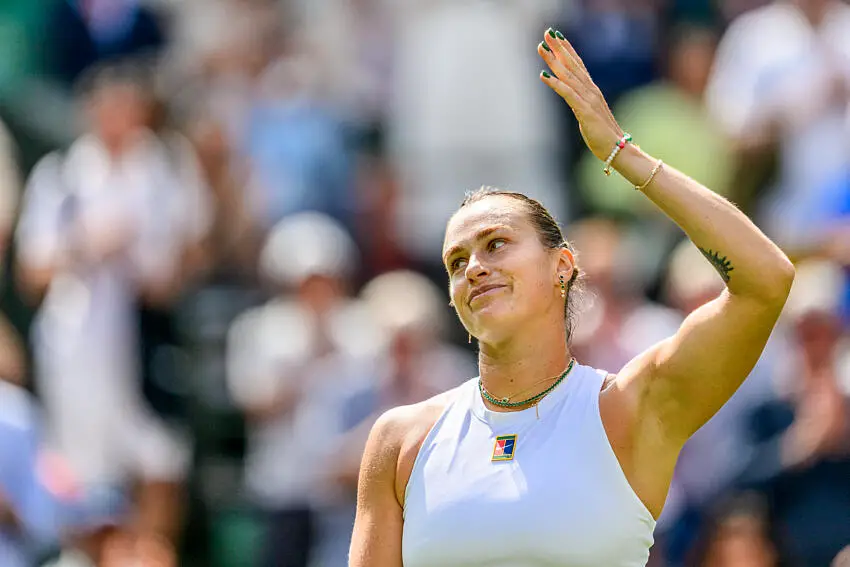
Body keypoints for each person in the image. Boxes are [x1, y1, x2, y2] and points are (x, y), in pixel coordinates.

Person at [349, 28, 796, 567]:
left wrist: (621, 153)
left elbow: (766, 279)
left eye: (496, 244)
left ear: (562, 266)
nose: (475, 268)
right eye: (456, 262)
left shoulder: (631, 408)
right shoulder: (399, 442)